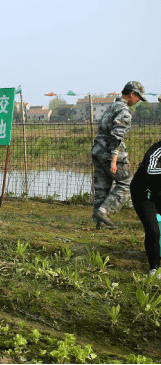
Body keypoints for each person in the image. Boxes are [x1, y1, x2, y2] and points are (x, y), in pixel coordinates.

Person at [91, 81, 146, 229]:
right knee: (126, 183)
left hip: (98, 151)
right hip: (110, 153)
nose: (138, 101)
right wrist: (115, 160)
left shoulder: (112, 106)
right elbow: (117, 136)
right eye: (138, 97)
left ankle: (100, 223)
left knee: (102, 186)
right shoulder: (124, 111)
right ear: (132, 94)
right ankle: (104, 211)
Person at [131, 95, 161, 278]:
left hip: (159, 193)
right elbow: (151, 171)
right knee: (153, 230)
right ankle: (154, 268)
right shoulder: (157, 150)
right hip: (142, 193)